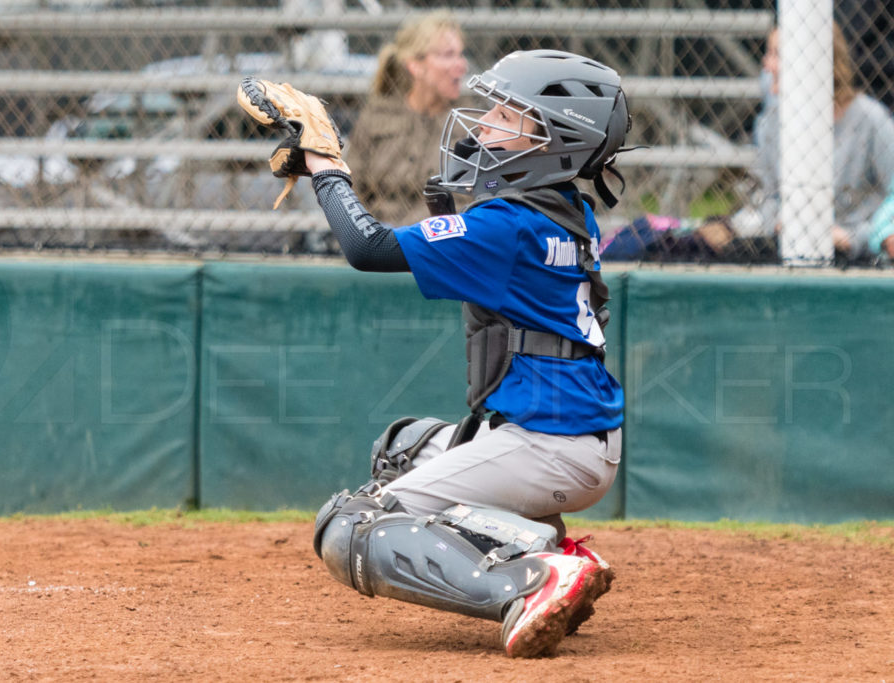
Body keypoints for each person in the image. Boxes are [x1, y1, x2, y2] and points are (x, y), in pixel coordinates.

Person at [239, 49, 630, 658]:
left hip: (552, 447)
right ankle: (546, 549)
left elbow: (367, 248)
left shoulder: (509, 224)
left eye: (511, 116)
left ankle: (530, 580)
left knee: (350, 527)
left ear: (557, 140)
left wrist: (325, 164)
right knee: (403, 451)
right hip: (571, 439)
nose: (487, 123)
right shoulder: (566, 210)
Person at [700, 25, 894, 263]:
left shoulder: (870, 119)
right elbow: (768, 196)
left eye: (776, 54)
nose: (766, 64)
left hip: (859, 253)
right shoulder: (770, 124)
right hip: (791, 247)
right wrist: (782, 223)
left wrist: (854, 237)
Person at [343, 10, 469, 226]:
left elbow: (466, 200)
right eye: (448, 55)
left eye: (460, 54)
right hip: (374, 235)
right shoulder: (379, 114)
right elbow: (350, 183)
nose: (461, 65)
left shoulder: (469, 124)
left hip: (435, 240)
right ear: (416, 66)